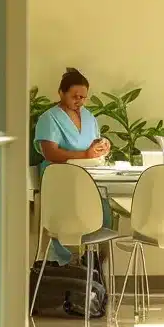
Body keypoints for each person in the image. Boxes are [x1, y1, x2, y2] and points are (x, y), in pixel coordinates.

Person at [34, 68, 113, 265]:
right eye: (74, 96)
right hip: (59, 177)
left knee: (103, 208)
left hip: (88, 176)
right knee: (70, 217)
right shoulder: (49, 118)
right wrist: (84, 155)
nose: (79, 101)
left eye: (83, 97)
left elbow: (94, 143)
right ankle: (68, 262)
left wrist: (102, 146)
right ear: (61, 93)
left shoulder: (89, 117)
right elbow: (50, 153)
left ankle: (94, 261)